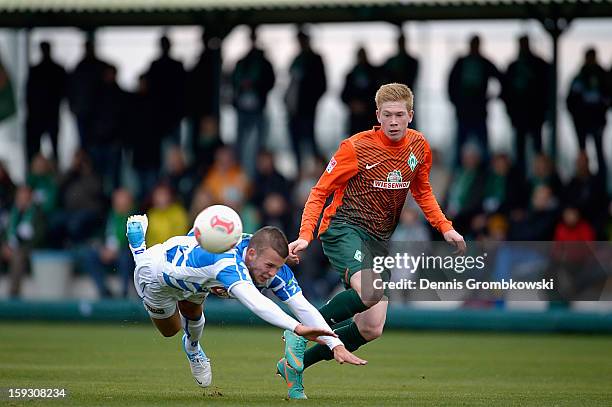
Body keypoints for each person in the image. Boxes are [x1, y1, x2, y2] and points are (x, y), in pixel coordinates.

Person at [282, 83, 465, 398]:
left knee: (371, 327)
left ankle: (295, 365)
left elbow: (422, 190)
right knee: (369, 290)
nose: (394, 121)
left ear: (410, 115)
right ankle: (299, 331)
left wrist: (444, 227)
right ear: (377, 115)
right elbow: (320, 192)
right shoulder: (355, 147)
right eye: (387, 115)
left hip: (379, 241)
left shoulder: (419, 147)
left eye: (400, 115)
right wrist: (305, 235)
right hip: (343, 228)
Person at [126, 216, 365, 392]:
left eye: (278, 266)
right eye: (270, 266)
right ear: (250, 255)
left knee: (192, 309)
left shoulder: (265, 258)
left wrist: (335, 344)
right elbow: (257, 303)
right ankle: (138, 249)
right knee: (170, 330)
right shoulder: (227, 265)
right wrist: (298, 329)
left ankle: (192, 348)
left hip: (197, 281)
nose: (272, 274)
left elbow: (302, 306)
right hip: (156, 276)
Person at [448, 35, 502, 166]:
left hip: (478, 111)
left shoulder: (484, 62)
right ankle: (459, 174)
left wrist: (491, 97)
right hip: (464, 111)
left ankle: (483, 174)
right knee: (460, 146)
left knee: (482, 146)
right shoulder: (462, 62)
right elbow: (451, 83)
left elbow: (501, 79)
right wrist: (456, 101)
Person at [501, 35, 550, 178]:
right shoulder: (514, 66)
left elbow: (547, 88)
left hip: (535, 116)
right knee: (519, 152)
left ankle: (540, 179)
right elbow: (506, 92)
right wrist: (511, 113)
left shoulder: (538, 65)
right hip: (519, 117)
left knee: (537, 150)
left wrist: (544, 110)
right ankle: (521, 179)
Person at [284, 28, 327, 169]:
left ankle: (321, 173)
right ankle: (300, 173)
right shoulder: (296, 59)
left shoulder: (315, 59)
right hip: (293, 111)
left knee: (310, 143)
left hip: (307, 110)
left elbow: (322, 85)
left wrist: (311, 101)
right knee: (296, 145)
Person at [566, 48, 610, 179]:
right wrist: (576, 116)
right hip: (582, 122)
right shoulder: (580, 77)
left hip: (597, 121)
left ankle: (601, 183)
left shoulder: (603, 77)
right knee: (582, 153)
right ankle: (582, 182)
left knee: (599, 153)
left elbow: (608, 97)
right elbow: (570, 101)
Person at [25, 41, 67, 163]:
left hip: (42, 114)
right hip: (46, 114)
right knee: (48, 149)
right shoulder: (56, 70)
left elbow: (28, 94)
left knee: (40, 149)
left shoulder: (38, 70)